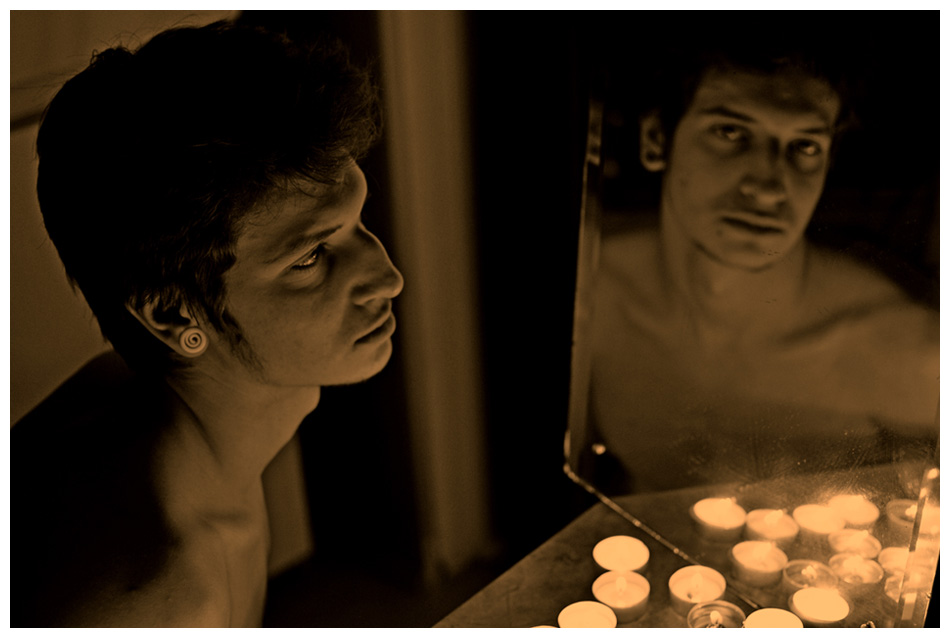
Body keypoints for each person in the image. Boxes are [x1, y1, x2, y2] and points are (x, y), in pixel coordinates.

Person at [11, 20, 403, 627]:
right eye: (310, 258)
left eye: (359, 220)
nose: (388, 277)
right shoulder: (162, 601)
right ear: (173, 314)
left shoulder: (126, 391)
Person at [583, 36, 939, 494]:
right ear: (656, 139)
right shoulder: (594, 298)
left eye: (804, 146)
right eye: (731, 133)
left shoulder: (904, 353)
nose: (768, 187)